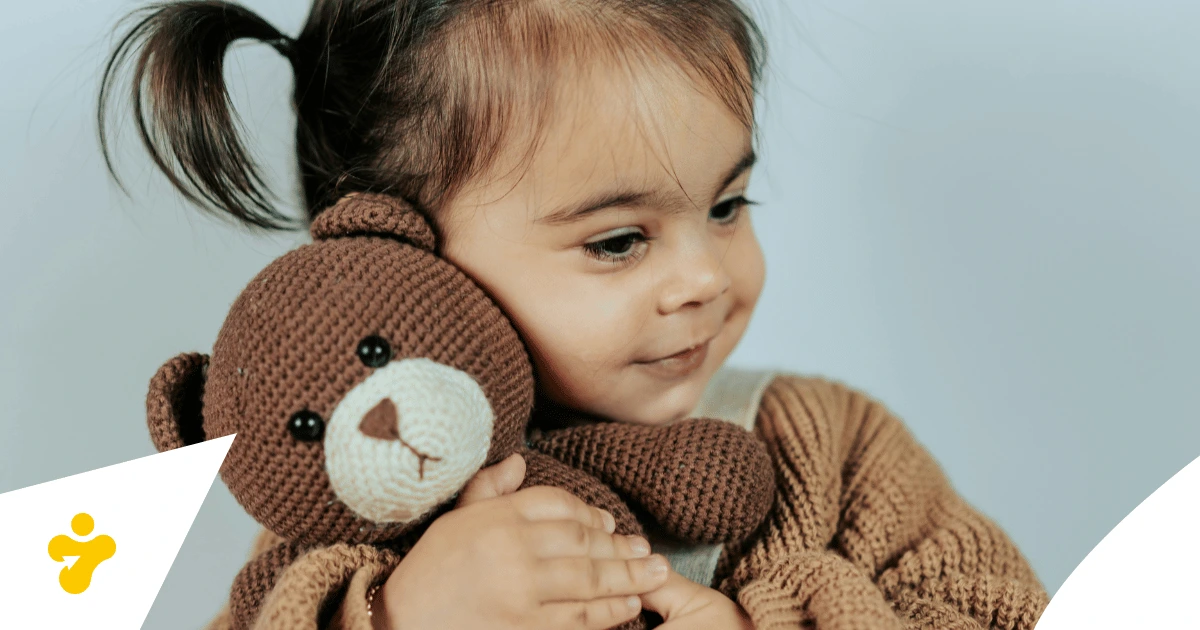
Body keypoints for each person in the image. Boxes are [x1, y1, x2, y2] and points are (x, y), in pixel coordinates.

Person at [99, 1, 1051, 628]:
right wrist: (397, 617)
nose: (704, 279)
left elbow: (1003, 611)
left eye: (727, 207)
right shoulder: (350, 521)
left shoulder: (831, 448)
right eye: (619, 241)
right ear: (394, 252)